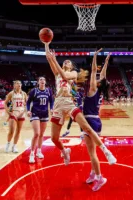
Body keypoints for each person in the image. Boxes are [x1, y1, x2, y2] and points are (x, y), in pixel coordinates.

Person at [44, 43, 116, 166]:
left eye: (68, 62)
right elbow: (48, 58)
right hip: (57, 104)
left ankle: (106, 151)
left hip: (69, 102)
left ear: (72, 66)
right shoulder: (57, 73)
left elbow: (64, 76)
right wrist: (46, 44)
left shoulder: (73, 74)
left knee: (86, 127)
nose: (66, 62)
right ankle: (65, 151)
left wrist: (55, 60)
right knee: (54, 138)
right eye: (65, 61)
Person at [83, 49, 110, 191]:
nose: (97, 78)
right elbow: (103, 75)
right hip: (95, 121)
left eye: (99, 79)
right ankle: (93, 173)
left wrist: (94, 56)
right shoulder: (100, 90)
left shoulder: (93, 88)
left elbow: (94, 71)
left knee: (92, 153)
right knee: (91, 151)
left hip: (89, 121)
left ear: (99, 83)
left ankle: (100, 178)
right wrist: (105, 62)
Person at [27, 77, 54, 163]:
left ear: (45, 82)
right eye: (40, 80)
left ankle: (39, 151)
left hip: (45, 113)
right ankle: (31, 154)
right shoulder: (34, 91)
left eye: (43, 80)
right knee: (36, 134)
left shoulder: (49, 91)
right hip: (35, 113)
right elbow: (28, 102)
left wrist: (52, 108)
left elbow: (51, 101)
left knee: (41, 134)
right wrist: (28, 110)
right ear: (38, 82)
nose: (42, 81)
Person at [4, 81, 27, 153]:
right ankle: (8, 144)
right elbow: (5, 103)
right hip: (14, 113)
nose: (19, 85)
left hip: (21, 113)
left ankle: (14, 146)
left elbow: (27, 104)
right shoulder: (11, 93)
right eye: (17, 84)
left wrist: (25, 109)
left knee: (18, 131)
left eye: (20, 84)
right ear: (14, 86)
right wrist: (8, 111)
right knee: (11, 131)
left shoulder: (24, 94)